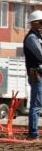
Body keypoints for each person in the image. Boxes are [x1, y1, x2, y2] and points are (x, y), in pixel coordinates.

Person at [23, 10, 42, 141]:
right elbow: (40, 54)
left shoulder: (39, 37)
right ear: (34, 23)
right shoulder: (31, 38)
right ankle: (33, 133)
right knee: (36, 103)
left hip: (39, 72)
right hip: (36, 73)